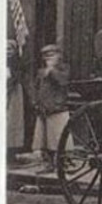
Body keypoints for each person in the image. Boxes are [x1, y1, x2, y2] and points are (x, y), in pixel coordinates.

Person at [32, 44, 70, 172]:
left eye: (52, 55)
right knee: (44, 140)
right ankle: (48, 163)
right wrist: (36, 102)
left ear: (59, 56)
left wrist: (52, 71)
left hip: (57, 109)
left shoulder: (63, 69)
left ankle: (62, 164)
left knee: (58, 138)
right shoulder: (41, 72)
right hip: (44, 109)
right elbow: (37, 88)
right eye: (46, 56)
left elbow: (63, 82)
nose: (48, 58)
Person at [6, 39, 27, 165]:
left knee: (13, 120)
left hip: (13, 94)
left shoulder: (17, 64)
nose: (7, 52)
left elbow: (17, 77)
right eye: (5, 49)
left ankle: (12, 151)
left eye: (10, 49)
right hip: (2, 92)